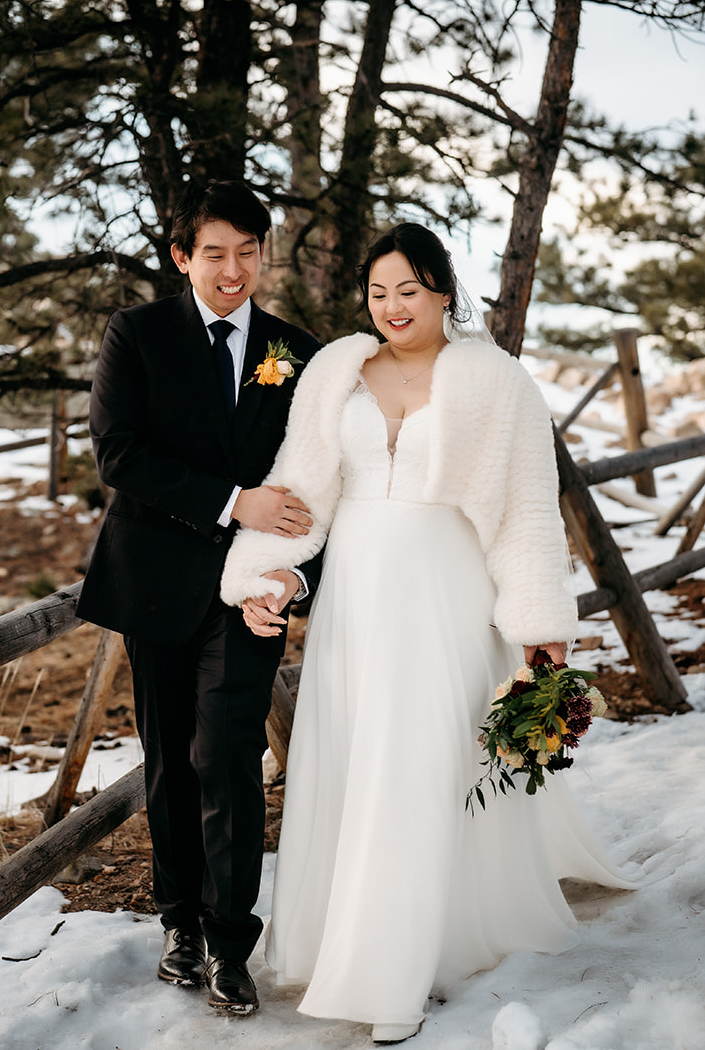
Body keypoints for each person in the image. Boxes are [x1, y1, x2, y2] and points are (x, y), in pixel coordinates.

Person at [220, 223, 633, 1044]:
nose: (392, 307)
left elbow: (523, 511)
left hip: (446, 595)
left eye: (408, 289)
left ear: (444, 289)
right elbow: (303, 486)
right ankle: (360, 941)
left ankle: (394, 977)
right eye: (378, 292)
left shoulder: (497, 380)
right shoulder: (337, 369)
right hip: (359, 603)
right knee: (364, 763)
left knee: (420, 766)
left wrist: (538, 621)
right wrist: (261, 572)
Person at [77, 179, 323, 1016]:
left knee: (226, 754)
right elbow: (119, 454)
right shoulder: (137, 335)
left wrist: (293, 570)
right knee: (169, 759)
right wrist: (231, 498)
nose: (232, 270)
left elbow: (321, 474)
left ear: (262, 255)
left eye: (247, 253)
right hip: (156, 584)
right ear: (182, 256)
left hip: (250, 590)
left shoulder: (295, 351)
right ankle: (178, 920)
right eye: (214, 253)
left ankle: (230, 937)